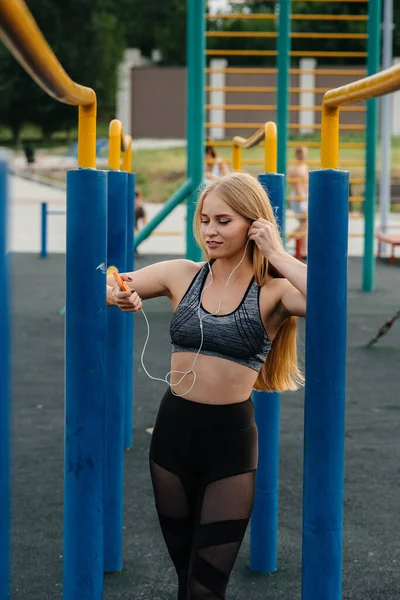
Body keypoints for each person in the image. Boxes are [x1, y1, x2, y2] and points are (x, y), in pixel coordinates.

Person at [107, 172, 307, 600]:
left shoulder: (273, 291)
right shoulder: (182, 274)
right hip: (172, 436)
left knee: (206, 586)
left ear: (253, 224)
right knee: (185, 576)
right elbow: (108, 281)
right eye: (204, 220)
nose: (210, 232)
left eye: (224, 221)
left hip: (230, 445)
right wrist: (119, 294)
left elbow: (330, 299)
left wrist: (276, 252)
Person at [288, 146, 309, 257]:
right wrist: (302, 202)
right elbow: (297, 187)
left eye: (306, 154)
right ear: (298, 155)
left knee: (305, 224)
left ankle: (304, 250)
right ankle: (284, 241)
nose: (305, 156)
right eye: (303, 154)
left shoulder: (303, 166)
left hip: (304, 196)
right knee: (304, 223)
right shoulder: (296, 168)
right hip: (299, 197)